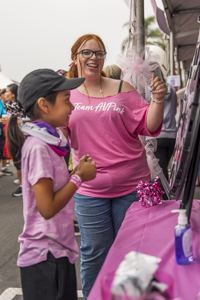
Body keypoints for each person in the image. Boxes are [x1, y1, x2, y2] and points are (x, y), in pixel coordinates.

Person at [66, 33, 167, 299]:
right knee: (95, 253)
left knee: (132, 253)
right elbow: (58, 133)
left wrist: (158, 99)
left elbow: (149, 125)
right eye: (87, 52)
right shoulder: (66, 95)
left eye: (99, 53)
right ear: (75, 57)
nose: (93, 58)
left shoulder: (123, 88)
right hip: (90, 191)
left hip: (132, 186)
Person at [6, 69, 97, 300]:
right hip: (45, 257)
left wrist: (76, 172)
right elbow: (46, 208)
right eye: (67, 100)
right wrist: (78, 178)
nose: (73, 107)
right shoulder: (38, 147)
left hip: (57, 252)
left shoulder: (50, 141)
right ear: (45, 105)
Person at [146, 63, 177, 194]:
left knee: (160, 175)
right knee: (164, 172)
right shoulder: (171, 89)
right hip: (171, 136)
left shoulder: (149, 90)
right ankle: (166, 199)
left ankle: (164, 204)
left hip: (156, 136)